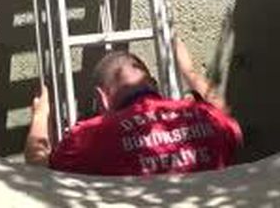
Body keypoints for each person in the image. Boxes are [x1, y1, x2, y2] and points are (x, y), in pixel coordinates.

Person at [24, 38, 242, 176]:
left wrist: (40, 115)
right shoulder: (207, 118)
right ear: (154, 85)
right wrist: (190, 73)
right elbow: (226, 120)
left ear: (102, 99)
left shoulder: (87, 138)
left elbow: (39, 176)